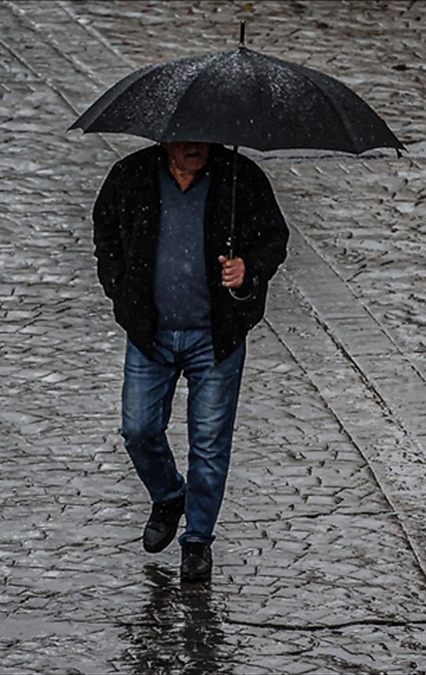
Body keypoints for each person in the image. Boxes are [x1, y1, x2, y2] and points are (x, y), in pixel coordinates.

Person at [91, 141, 289, 581]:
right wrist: (120, 291)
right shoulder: (132, 176)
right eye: (184, 136)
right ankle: (168, 495)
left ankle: (197, 540)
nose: (194, 146)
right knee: (138, 428)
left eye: (203, 136)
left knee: (209, 443)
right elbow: (105, 234)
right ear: (165, 139)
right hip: (150, 335)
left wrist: (248, 268)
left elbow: (275, 239)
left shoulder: (242, 178)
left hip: (215, 337)